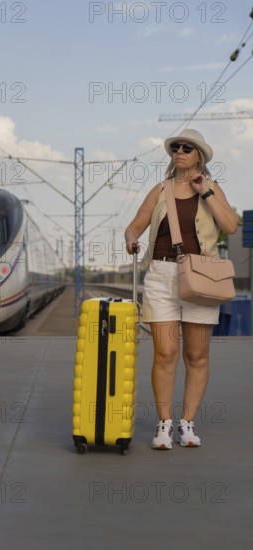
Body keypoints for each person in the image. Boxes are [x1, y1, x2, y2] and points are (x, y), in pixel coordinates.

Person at [124, 129, 239, 449]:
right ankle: (164, 425)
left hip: (202, 277)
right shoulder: (160, 190)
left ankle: (186, 424)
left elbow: (230, 226)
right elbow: (136, 224)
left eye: (187, 148)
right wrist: (131, 238)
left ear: (199, 156)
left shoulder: (212, 189)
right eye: (176, 147)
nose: (180, 151)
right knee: (165, 352)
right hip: (162, 275)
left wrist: (207, 193)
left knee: (197, 354)